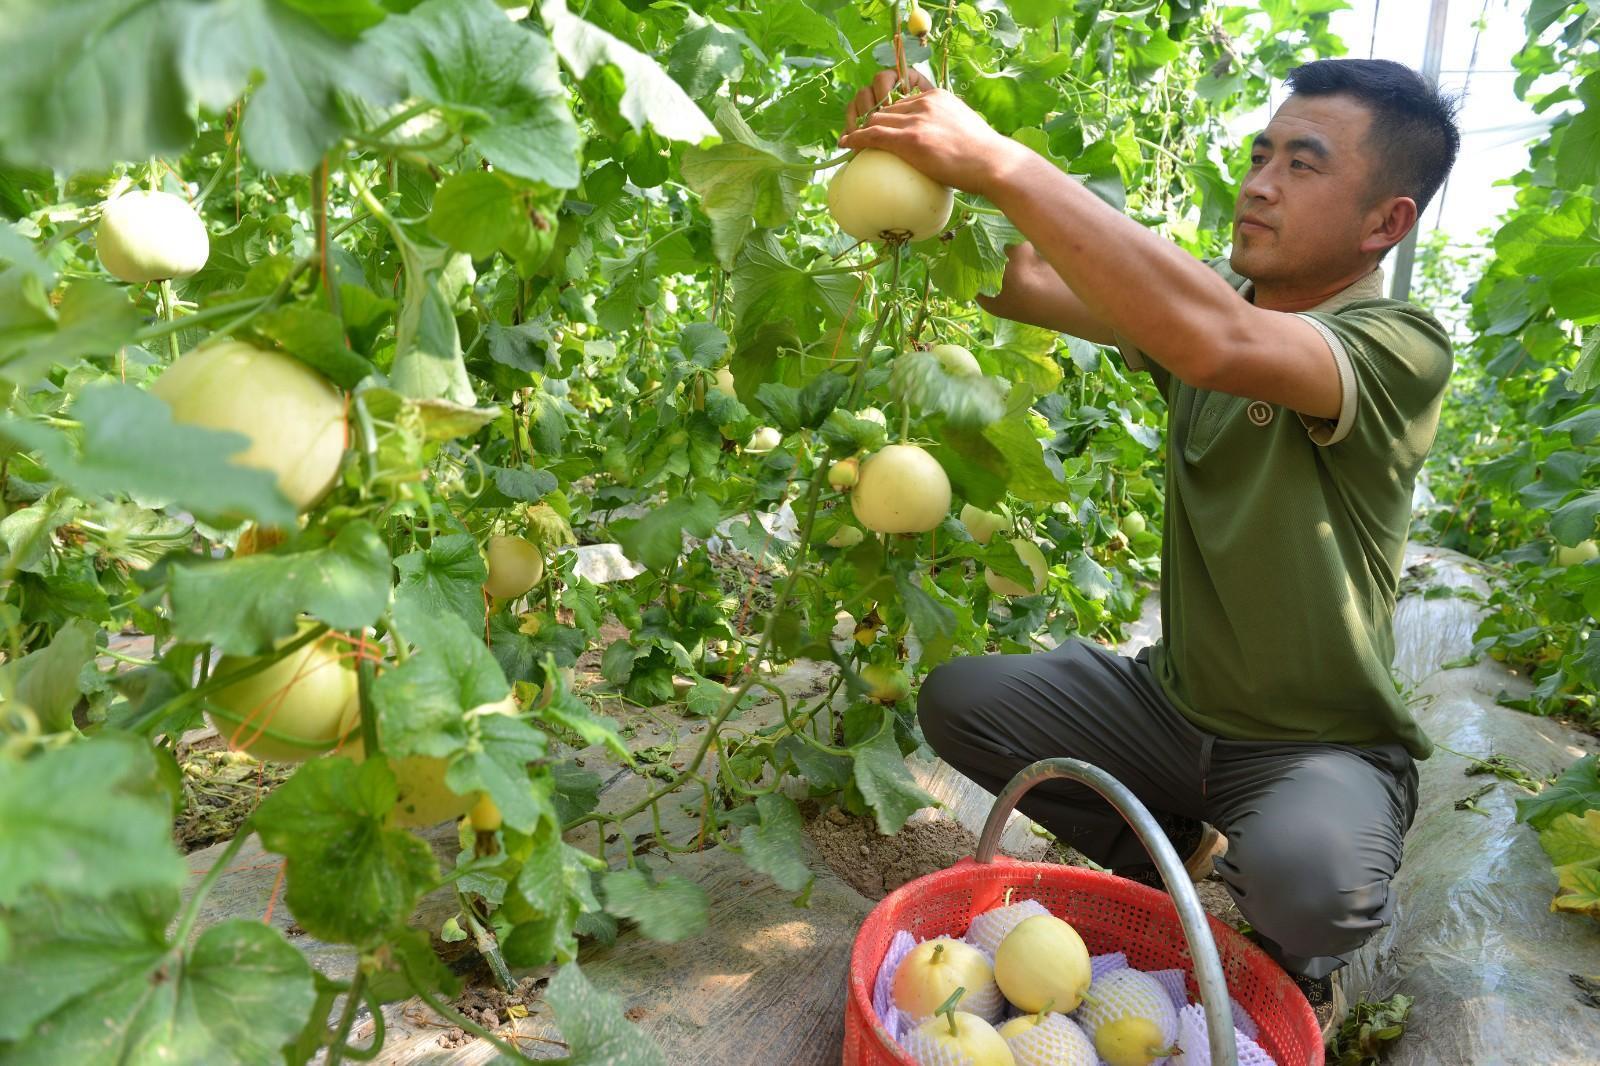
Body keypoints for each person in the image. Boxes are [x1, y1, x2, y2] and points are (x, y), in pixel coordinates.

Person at [838, 57, 1461, 1042]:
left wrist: (998, 160)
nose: (1260, 183)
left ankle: (1296, 962)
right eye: (1260, 155)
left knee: (1311, 884)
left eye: (1302, 165)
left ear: (1385, 222)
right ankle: (1179, 856)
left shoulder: (1398, 344)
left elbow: (1215, 339)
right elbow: (1024, 282)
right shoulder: (1208, 312)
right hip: (1169, 710)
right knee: (962, 700)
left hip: (1315, 746)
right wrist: (916, 187)